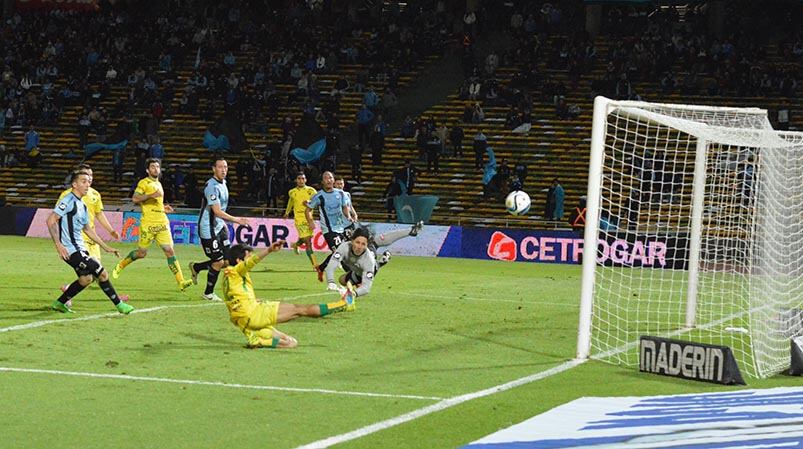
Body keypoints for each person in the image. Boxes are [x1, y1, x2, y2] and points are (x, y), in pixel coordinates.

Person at [222, 241, 353, 349]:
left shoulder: (226, 277)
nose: (250, 258)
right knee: (301, 309)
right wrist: (269, 250)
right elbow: (251, 262)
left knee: (291, 342)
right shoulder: (237, 270)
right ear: (239, 261)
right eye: (248, 256)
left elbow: (234, 301)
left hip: (245, 322)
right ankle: (344, 304)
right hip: (255, 314)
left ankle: (259, 340)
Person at [47, 171, 133, 314]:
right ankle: (120, 305)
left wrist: (106, 247)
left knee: (86, 279)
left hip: (81, 248)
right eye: (83, 181)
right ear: (74, 184)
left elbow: (88, 229)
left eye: (88, 181)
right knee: (102, 273)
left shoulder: (83, 205)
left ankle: (59, 303)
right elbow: (51, 220)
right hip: (71, 250)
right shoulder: (67, 201)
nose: (87, 184)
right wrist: (58, 244)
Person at [112, 158, 193, 291]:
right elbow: (135, 198)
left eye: (157, 167)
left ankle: (181, 282)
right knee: (141, 253)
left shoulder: (159, 184)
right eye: (153, 167)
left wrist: (163, 207)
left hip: (161, 222)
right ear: (147, 170)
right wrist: (152, 195)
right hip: (148, 223)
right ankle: (121, 264)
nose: (156, 169)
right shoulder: (144, 183)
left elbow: (156, 202)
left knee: (169, 251)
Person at [189, 157, 251, 301]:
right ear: (213, 169)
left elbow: (221, 210)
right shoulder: (211, 186)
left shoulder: (224, 183)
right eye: (220, 167)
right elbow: (216, 211)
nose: (224, 170)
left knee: (228, 260)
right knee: (218, 262)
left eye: (226, 167)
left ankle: (197, 267)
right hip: (208, 228)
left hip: (218, 226)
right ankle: (208, 293)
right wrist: (237, 220)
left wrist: (223, 225)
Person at [56, 164, 119, 264]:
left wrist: (111, 230)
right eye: (87, 175)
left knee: (94, 274)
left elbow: (99, 214)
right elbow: (57, 217)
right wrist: (60, 242)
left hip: (92, 237)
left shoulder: (95, 194)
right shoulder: (67, 195)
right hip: (78, 238)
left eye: (91, 175)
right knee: (94, 270)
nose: (90, 178)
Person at [306, 171, 350, 281]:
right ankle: (352, 278)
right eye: (326, 178)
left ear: (333, 180)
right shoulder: (319, 196)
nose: (329, 180)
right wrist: (311, 221)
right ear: (322, 182)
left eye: (330, 178)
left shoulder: (340, 194)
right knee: (340, 253)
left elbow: (345, 207)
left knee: (339, 253)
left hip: (341, 228)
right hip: (329, 229)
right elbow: (308, 210)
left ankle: (320, 268)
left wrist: (348, 216)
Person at [322, 227, 378, 298]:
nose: (359, 247)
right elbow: (331, 266)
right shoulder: (344, 247)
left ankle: (382, 262)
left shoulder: (369, 261)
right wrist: (331, 282)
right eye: (357, 242)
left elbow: (366, 288)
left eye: (363, 244)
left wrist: (353, 294)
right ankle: (352, 282)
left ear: (367, 245)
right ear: (352, 241)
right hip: (355, 270)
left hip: (367, 271)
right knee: (342, 280)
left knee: (359, 284)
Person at [283, 172, 318, 269]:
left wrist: (310, 203)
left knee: (305, 239)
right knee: (308, 242)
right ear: (296, 180)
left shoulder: (311, 191)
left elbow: (317, 202)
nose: (301, 180)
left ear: (305, 180)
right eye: (299, 178)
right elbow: (291, 201)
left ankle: (295, 245)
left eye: (303, 178)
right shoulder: (292, 192)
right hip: (299, 219)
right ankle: (315, 265)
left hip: (309, 218)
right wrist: (287, 212)